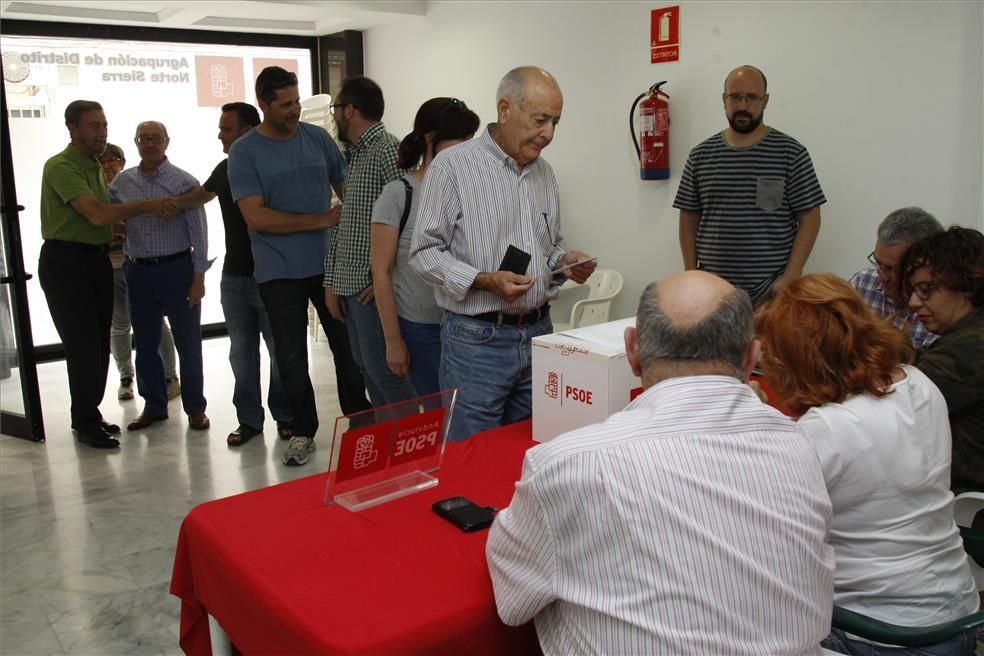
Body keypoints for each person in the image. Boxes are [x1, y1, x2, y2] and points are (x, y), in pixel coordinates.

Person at [486, 270, 835, 654]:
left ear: (632, 350)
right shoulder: (800, 444)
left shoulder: (570, 463)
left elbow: (514, 600)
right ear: (752, 357)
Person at [755, 273, 979, 655]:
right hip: (956, 612)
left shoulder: (823, 430)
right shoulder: (919, 384)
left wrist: (758, 420)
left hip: (878, 631)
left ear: (795, 362)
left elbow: (766, 525)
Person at [409, 66, 596, 441]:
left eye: (556, 122)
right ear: (505, 108)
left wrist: (563, 262)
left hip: (539, 332)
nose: (549, 134)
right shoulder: (453, 167)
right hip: (477, 340)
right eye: (540, 120)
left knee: (527, 448)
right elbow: (424, 253)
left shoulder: (545, 173)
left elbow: (548, 245)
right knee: (472, 454)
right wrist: (482, 280)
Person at [228, 66, 370, 467]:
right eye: (285, 104)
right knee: (290, 357)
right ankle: (304, 431)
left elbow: (347, 193)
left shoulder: (318, 138)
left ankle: (361, 423)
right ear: (264, 104)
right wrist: (322, 219)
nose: (294, 110)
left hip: (330, 267)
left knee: (347, 350)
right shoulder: (244, 152)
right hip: (278, 272)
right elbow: (256, 217)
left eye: (296, 101)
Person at [39, 99, 175, 449]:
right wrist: (146, 206)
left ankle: (87, 414)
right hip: (68, 264)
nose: (102, 132)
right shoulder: (61, 166)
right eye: (93, 126)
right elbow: (96, 214)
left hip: (95, 258)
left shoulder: (93, 166)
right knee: (83, 344)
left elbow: (98, 222)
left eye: (104, 125)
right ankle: (85, 422)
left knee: (97, 344)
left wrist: (116, 231)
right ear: (72, 128)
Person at [176, 102, 292, 447]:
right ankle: (249, 420)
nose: (219, 135)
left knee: (280, 352)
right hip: (234, 278)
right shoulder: (226, 168)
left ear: (246, 131)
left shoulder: (271, 166)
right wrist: (162, 203)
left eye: (225, 129)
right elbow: (199, 196)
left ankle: (285, 416)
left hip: (273, 276)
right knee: (241, 352)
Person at [674, 65, 826, 304]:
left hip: (771, 294)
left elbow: (810, 217)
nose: (743, 106)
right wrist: (691, 272)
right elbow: (688, 217)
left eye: (752, 98)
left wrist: (791, 276)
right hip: (713, 293)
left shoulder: (791, 153)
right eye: (735, 97)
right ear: (724, 100)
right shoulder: (701, 156)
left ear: (765, 101)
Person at [370, 97, 480, 396]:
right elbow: (381, 272)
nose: (469, 149)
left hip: (468, 326)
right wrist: (394, 341)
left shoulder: (470, 192)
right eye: (462, 139)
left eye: (472, 140)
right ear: (431, 137)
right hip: (421, 329)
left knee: (464, 417)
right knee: (437, 414)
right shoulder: (398, 194)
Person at [109, 120, 210, 432]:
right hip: (137, 270)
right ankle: (154, 406)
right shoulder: (121, 184)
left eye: (156, 138)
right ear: (136, 142)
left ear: (167, 142)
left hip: (177, 270)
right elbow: (111, 218)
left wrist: (198, 278)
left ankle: (195, 408)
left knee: (188, 344)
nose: (150, 144)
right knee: (147, 343)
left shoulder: (184, 183)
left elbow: (200, 233)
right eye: (144, 138)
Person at [323, 76, 417, 407]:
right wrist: (332, 282)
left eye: (335, 108)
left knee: (386, 374)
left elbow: (410, 219)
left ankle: (414, 448)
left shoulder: (387, 149)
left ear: (350, 110)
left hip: (371, 289)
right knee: (368, 371)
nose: (333, 116)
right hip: (351, 286)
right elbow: (348, 224)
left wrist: (387, 277)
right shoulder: (358, 154)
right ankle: (390, 450)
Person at [903, 226, 984, 492]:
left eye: (927, 289)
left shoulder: (967, 348)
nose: (914, 302)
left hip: (965, 506)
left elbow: (894, 406)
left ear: (968, 285)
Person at [100, 143, 181, 403]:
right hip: (111, 266)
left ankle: (170, 376)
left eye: (114, 161)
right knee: (120, 324)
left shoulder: (130, 187)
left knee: (157, 322)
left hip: (138, 264)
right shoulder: (97, 193)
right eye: (103, 162)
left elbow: (147, 224)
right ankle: (126, 377)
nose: (109, 166)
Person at [849, 206, 942, 351]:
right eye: (878, 263)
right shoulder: (863, 283)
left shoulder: (942, 306)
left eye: (892, 269)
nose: (882, 276)